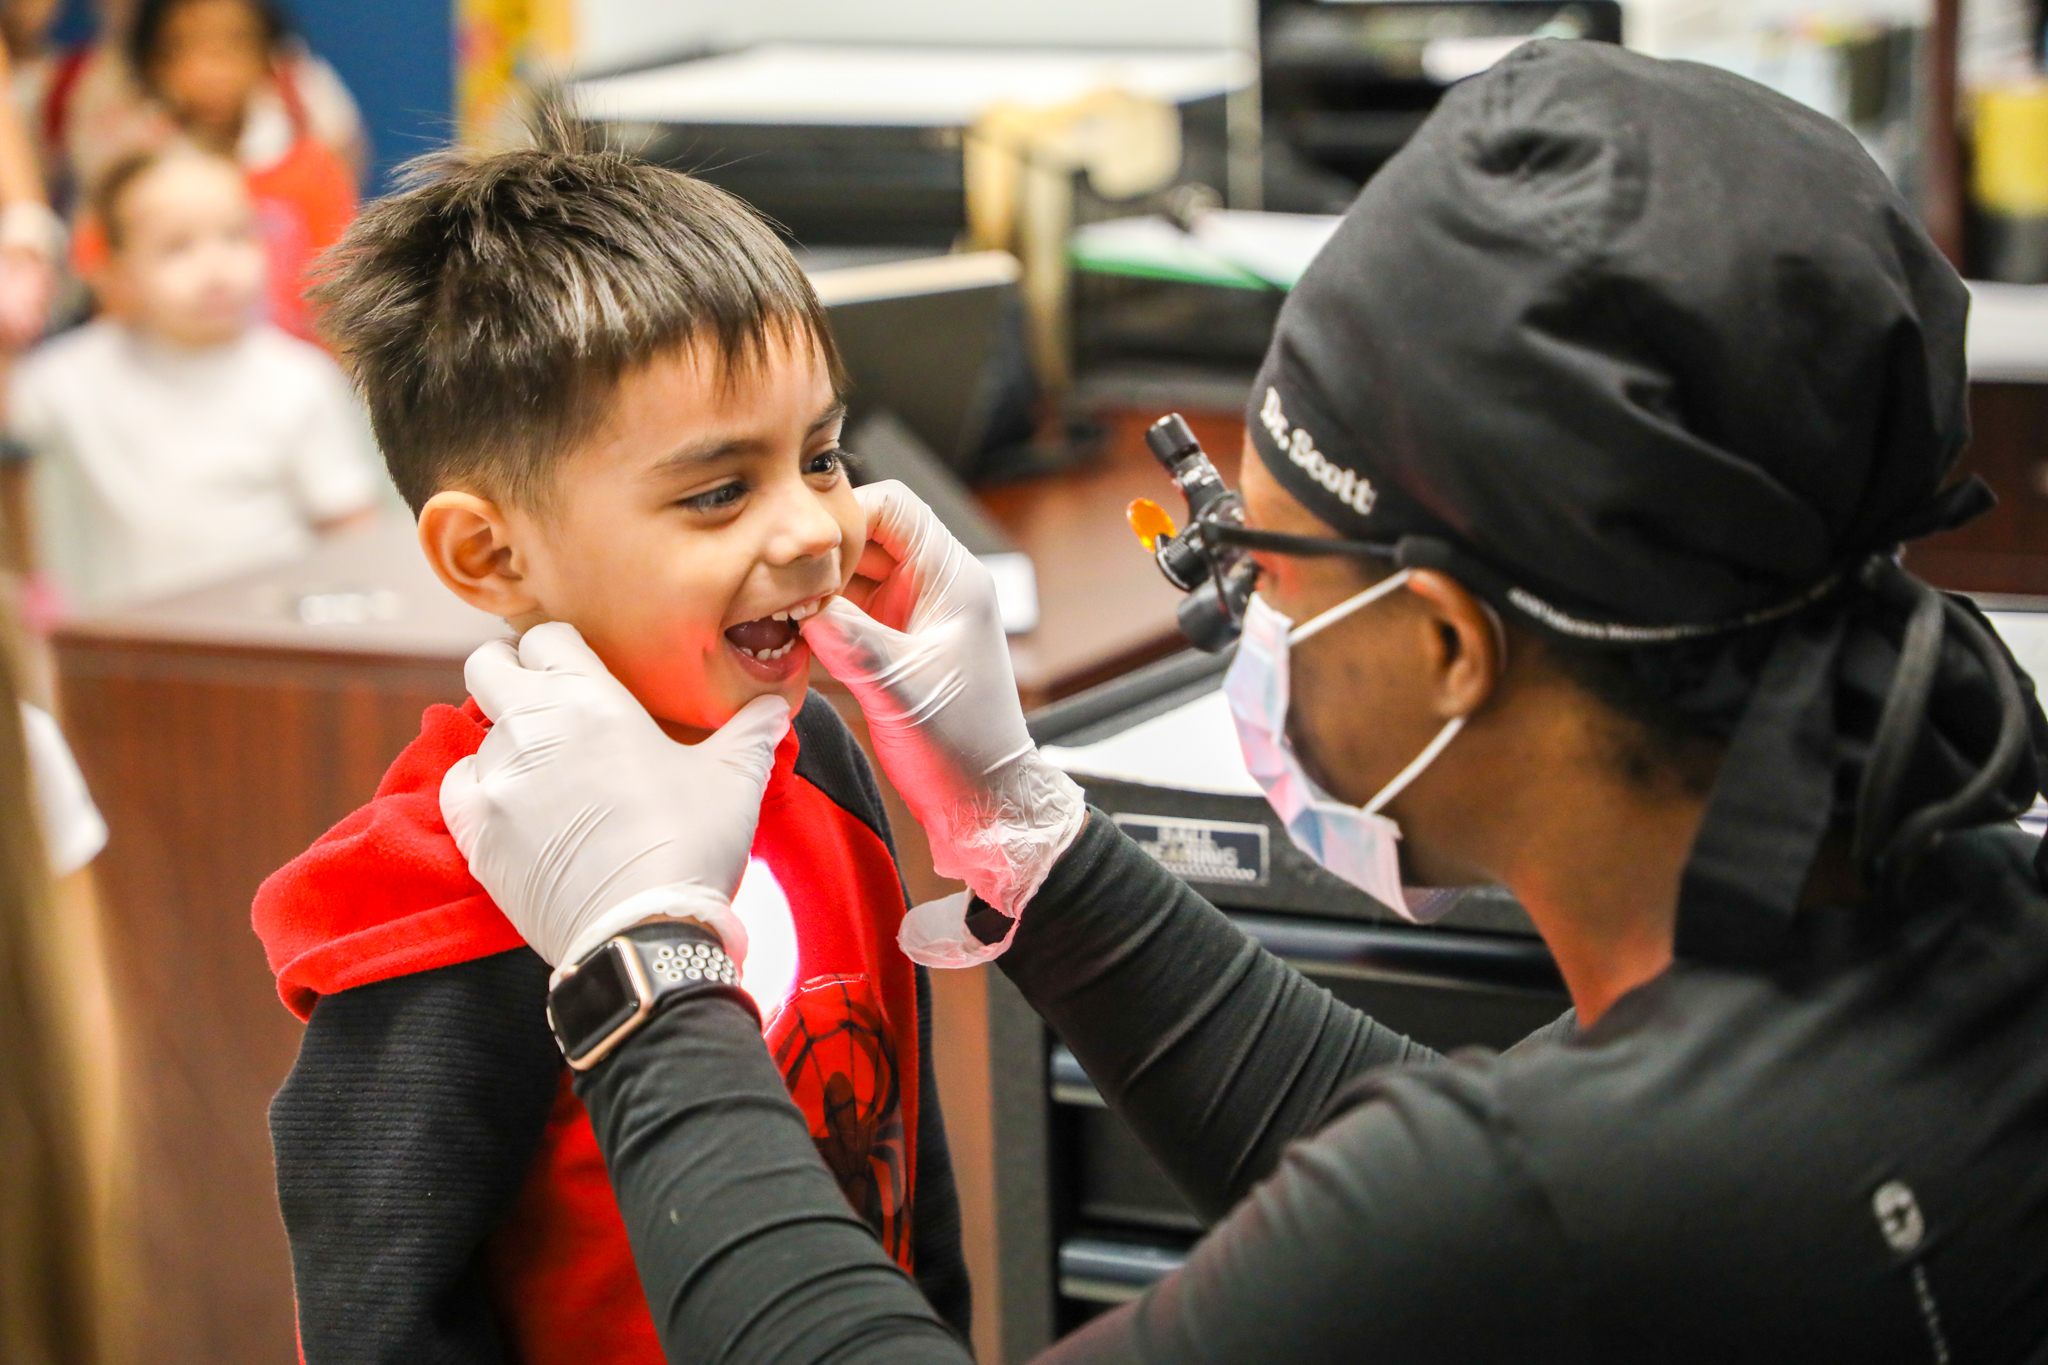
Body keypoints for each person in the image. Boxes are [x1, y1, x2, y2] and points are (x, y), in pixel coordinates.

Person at [438, 40, 2048, 1361]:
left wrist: (643, 965)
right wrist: (1027, 835)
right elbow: (1424, 1176)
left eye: (1252, 555)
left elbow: (1474, 1213)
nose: (1240, 610)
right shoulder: (1955, 925)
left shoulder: (1552, 1207)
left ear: (1446, 649)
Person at [247, 119, 971, 1364]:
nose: (812, 530)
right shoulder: (445, 904)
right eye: (715, 491)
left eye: (820, 456)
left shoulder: (823, 767)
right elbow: (385, 1312)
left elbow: (906, 1183)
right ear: (490, 554)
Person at [10, 147, 378, 612]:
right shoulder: (66, 379)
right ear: (112, 270)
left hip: (266, 651)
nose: (216, 268)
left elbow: (352, 531)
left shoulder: (299, 380)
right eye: (177, 246)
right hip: (125, 650)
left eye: (236, 235)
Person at [65, 0, 359, 342]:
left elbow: (342, 299)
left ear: (270, 59)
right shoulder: (134, 173)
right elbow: (102, 278)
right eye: (183, 47)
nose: (211, 69)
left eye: (235, 44)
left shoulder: (312, 168)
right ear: (151, 66)